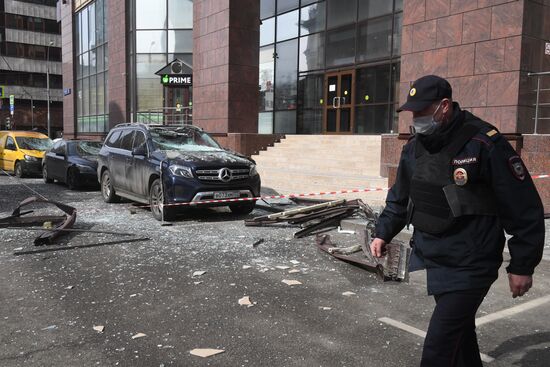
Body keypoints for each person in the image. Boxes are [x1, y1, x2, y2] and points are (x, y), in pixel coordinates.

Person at [370, 75, 545, 367]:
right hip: (436, 258)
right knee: (460, 339)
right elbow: (400, 197)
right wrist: (383, 232)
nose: (417, 119)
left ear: (444, 106)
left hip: (473, 262)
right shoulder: (415, 148)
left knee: (439, 348)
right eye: (414, 113)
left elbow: (523, 206)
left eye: (423, 112)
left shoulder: (483, 143)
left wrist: (522, 265)